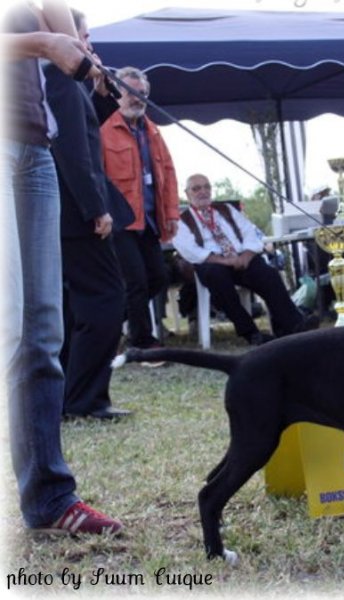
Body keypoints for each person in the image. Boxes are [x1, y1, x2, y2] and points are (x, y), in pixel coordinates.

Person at [1, 0, 122, 533]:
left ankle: (50, 498)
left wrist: (74, 46)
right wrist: (43, 45)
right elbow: (45, 43)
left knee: (43, 330)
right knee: (10, 326)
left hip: (34, 147)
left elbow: (62, 35)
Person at [44, 8, 130, 419]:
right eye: (85, 35)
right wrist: (96, 208)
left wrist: (102, 84)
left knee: (77, 305)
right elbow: (73, 150)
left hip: (68, 210)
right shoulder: (57, 77)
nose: (90, 43)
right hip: (77, 212)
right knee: (106, 299)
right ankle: (84, 399)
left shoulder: (63, 80)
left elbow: (89, 124)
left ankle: (73, 397)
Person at [173, 173, 319, 345]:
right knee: (217, 278)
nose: (202, 192)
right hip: (212, 263)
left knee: (268, 275)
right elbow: (190, 250)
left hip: (242, 259)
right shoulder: (181, 221)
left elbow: (250, 233)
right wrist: (224, 260)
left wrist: (246, 256)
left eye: (206, 187)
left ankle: (293, 327)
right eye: (196, 189)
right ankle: (251, 333)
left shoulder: (226, 210)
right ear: (187, 193)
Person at [100, 66, 180, 351]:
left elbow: (167, 174)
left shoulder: (153, 131)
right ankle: (142, 341)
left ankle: (104, 322)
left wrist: (171, 214)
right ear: (117, 93)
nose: (138, 98)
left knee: (158, 277)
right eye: (131, 92)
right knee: (136, 282)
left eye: (142, 93)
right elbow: (96, 175)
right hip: (119, 221)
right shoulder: (104, 128)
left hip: (149, 220)